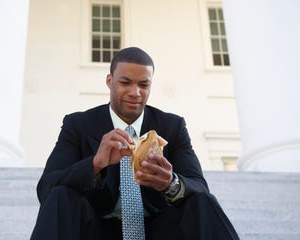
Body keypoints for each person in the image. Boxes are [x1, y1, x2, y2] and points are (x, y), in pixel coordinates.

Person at [30, 47, 239, 240]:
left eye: (143, 84)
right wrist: (95, 164)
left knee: (203, 201)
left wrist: (171, 183)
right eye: (125, 83)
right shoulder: (78, 125)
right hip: (95, 229)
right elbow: (46, 188)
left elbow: (199, 186)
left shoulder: (173, 126)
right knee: (60, 195)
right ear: (109, 81)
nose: (135, 92)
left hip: (159, 231)